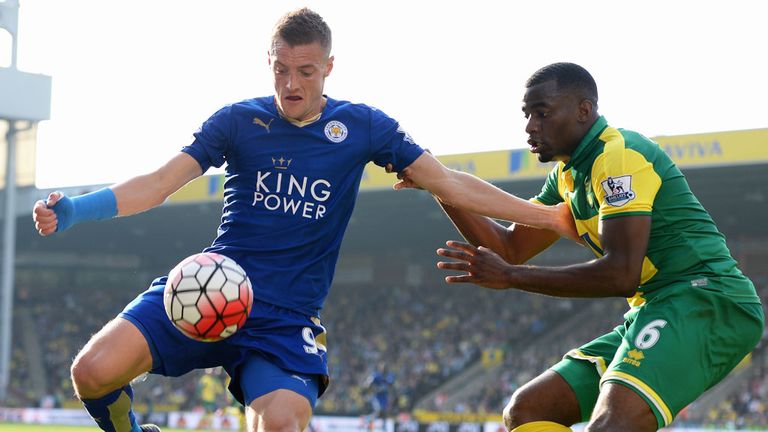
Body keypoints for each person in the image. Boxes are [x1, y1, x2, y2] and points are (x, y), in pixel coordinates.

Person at [31, 9, 575, 432]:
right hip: (205, 289)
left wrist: (548, 216)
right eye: (281, 69)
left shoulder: (362, 126)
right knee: (91, 372)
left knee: (284, 423)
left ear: (329, 67)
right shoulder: (237, 121)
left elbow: (449, 181)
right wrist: (76, 208)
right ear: (269, 61)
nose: (291, 84)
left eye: (306, 71)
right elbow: (156, 184)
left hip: (283, 320)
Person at [395, 62, 764, 432]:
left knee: (610, 424)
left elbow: (620, 274)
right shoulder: (567, 176)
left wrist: (510, 277)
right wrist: (439, 184)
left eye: (542, 113)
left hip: (707, 300)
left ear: (583, 111)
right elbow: (509, 247)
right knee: (526, 411)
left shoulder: (619, 156)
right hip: (655, 307)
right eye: (527, 115)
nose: (530, 126)